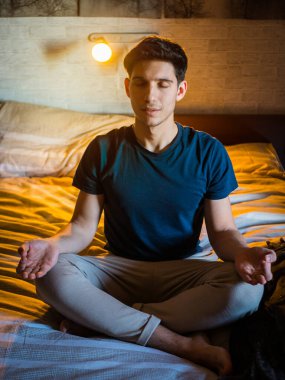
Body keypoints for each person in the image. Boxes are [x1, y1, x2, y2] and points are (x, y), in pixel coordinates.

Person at [17, 36, 276, 375]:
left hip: (183, 272)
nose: (150, 96)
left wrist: (243, 253)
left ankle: (104, 319)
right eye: (140, 83)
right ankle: (180, 342)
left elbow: (224, 231)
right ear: (127, 87)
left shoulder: (208, 151)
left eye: (162, 84)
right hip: (117, 269)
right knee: (51, 274)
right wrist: (51, 245)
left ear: (180, 90)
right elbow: (81, 228)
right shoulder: (104, 148)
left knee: (246, 293)